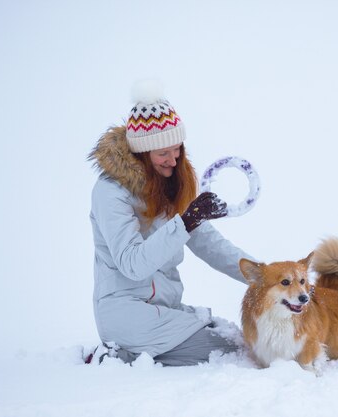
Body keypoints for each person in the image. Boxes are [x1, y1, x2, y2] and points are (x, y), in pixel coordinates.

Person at [86, 86, 251, 366]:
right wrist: (185, 221)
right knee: (231, 354)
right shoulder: (110, 192)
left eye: (177, 149)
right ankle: (121, 354)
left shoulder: (167, 187)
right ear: (142, 152)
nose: (173, 160)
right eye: (164, 152)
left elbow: (211, 245)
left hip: (164, 310)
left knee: (234, 337)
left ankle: (126, 353)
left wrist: (267, 277)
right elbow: (132, 264)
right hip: (127, 314)